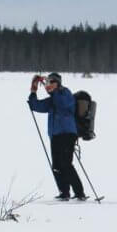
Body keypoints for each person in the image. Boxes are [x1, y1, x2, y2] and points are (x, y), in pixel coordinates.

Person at [28, 72, 87, 201]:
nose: (49, 85)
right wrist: (33, 91)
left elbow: (63, 104)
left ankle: (79, 193)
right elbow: (35, 106)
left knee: (66, 163)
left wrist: (53, 91)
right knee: (56, 165)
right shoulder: (53, 98)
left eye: (52, 82)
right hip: (55, 135)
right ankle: (64, 192)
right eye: (48, 82)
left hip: (67, 133)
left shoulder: (65, 93)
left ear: (58, 83)